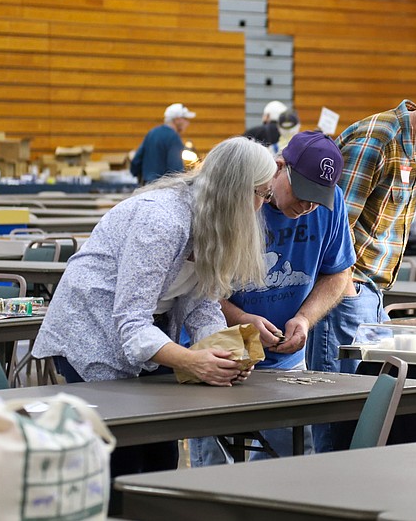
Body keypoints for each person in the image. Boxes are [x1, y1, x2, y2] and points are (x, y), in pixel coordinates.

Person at [33, 136, 277, 509]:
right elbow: (130, 321)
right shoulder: (160, 219)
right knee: (122, 460)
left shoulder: (211, 221)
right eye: (260, 193)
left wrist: (222, 352)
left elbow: (201, 305)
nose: (263, 205)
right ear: (234, 191)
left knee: (161, 456)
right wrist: (192, 360)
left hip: (142, 337)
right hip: (91, 335)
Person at [306, 76, 416, 452]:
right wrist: (348, 287)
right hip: (343, 290)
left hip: (368, 292)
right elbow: (333, 227)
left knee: (361, 404)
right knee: (337, 407)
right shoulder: (379, 140)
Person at [189, 131, 355, 465]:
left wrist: (305, 318)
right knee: (213, 464)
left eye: (317, 198)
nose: (307, 206)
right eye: (302, 193)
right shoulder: (237, 200)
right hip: (218, 349)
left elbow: (339, 273)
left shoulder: (331, 205)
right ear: (279, 168)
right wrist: (242, 319)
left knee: (287, 462)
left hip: (284, 361)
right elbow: (195, 283)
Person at [130, 103, 196, 184]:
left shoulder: (152, 133)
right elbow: (176, 172)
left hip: (145, 187)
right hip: (161, 188)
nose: (188, 123)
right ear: (177, 119)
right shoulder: (173, 138)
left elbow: (136, 161)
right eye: (185, 119)